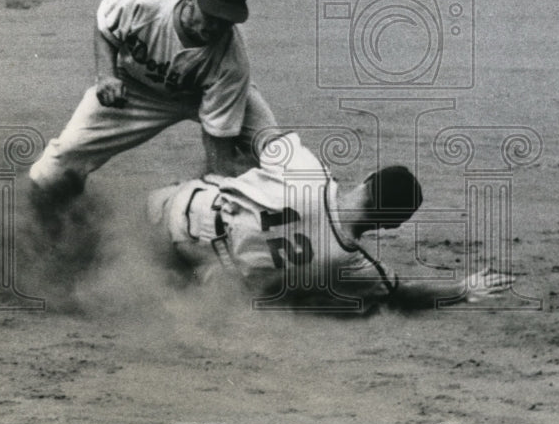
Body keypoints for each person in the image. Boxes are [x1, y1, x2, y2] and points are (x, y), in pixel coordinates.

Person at [29, 0, 277, 231]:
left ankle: (218, 219)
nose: (216, 27)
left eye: (226, 20)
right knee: (59, 163)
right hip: (136, 89)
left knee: (275, 153)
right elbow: (105, 27)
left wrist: (218, 186)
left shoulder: (232, 61)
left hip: (203, 93)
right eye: (211, 15)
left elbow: (218, 141)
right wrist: (107, 75)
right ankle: (47, 226)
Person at [147, 131, 515, 313]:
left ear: (367, 179)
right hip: (204, 268)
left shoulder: (310, 171)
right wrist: (462, 289)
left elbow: (258, 133)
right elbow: (404, 294)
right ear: (391, 225)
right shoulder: (351, 262)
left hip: (175, 210)